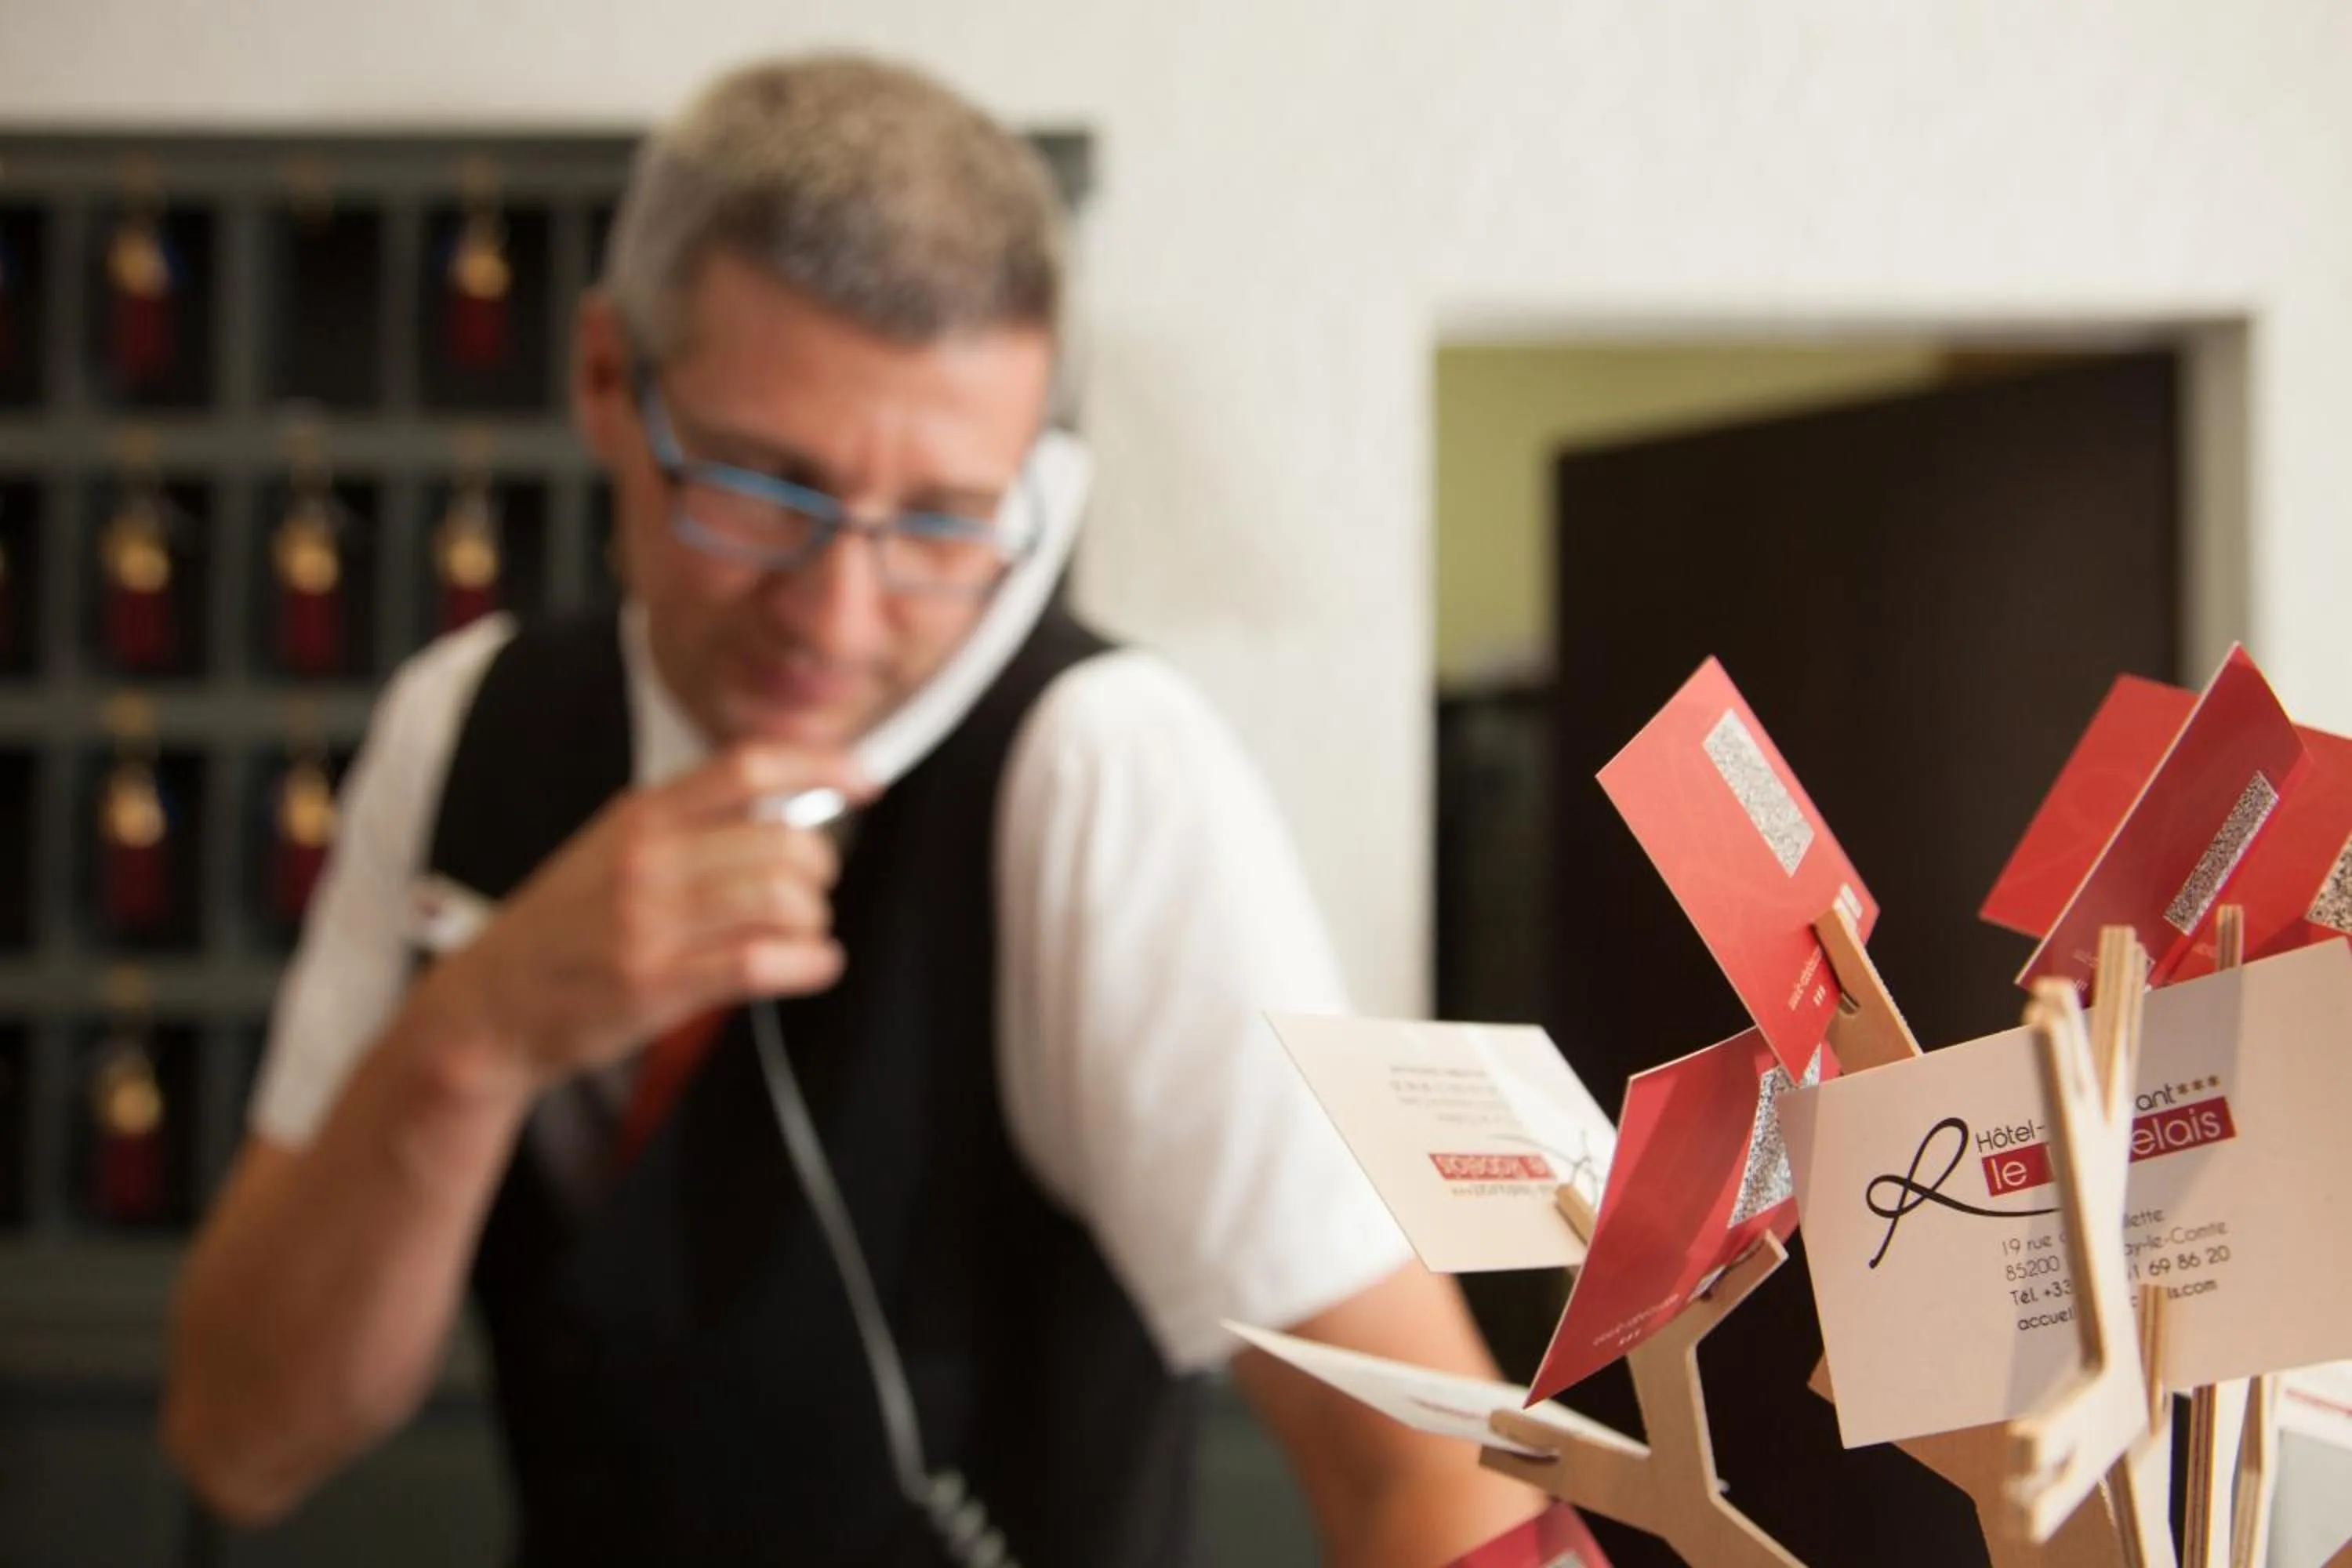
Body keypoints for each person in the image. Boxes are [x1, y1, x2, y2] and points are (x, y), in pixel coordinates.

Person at [162, 54, 1541, 1566]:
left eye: (946, 523)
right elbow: (240, 1443)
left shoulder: (1105, 775)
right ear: (610, 381)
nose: (839, 612)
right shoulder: (461, 730)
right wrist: (469, 1041)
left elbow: (1437, 1476)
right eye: (763, 486)